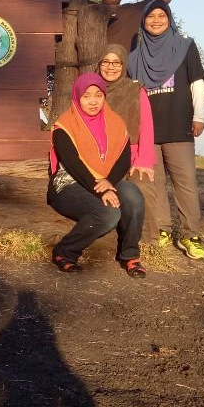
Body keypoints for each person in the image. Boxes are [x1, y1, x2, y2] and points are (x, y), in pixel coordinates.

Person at [128, 0, 204, 260]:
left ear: (169, 19)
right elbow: (132, 93)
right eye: (151, 16)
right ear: (143, 22)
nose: (156, 20)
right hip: (147, 131)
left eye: (162, 15)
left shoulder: (185, 46)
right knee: (154, 184)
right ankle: (160, 229)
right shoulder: (135, 57)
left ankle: (189, 235)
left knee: (185, 184)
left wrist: (199, 116)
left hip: (179, 125)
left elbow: (196, 82)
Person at [47, 73, 146, 277]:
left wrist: (108, 182)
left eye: (98, 95)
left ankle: (130, 256)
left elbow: (124, 158)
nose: (93, 101)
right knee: (109, 214)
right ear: (77, 97)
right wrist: (101, 190)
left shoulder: (116, 122)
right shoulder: (64, 126)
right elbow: (73, 165)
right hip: (69, 185)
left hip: (106, 180)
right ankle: (64, 252)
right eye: (86, 96)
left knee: (134, 197)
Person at [98, 43, 157, 243]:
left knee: (143, 187)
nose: (111, 67)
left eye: (117, 62)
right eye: (106, 61)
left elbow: (146, 126)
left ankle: (147, 241)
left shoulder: (135, 90)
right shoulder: (92, 90)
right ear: (100, 64)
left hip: (132, 155)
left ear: (124, 65)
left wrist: (144, 160)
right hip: (101, 156)